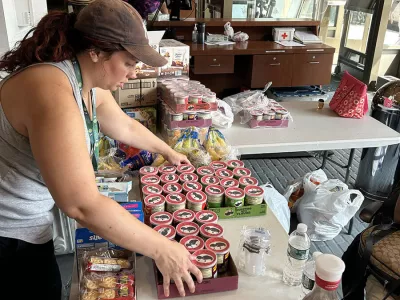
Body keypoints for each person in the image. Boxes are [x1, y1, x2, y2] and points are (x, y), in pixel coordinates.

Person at [0, 0, 202, 299]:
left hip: (29, 220)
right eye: (129, 63)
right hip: (9, 232)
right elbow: (81, 206)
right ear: (96, 52)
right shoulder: (53, 93)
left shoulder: (83, 77)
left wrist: (169, 152)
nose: (133, 74)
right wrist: (162, 248)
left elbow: (124, 126)